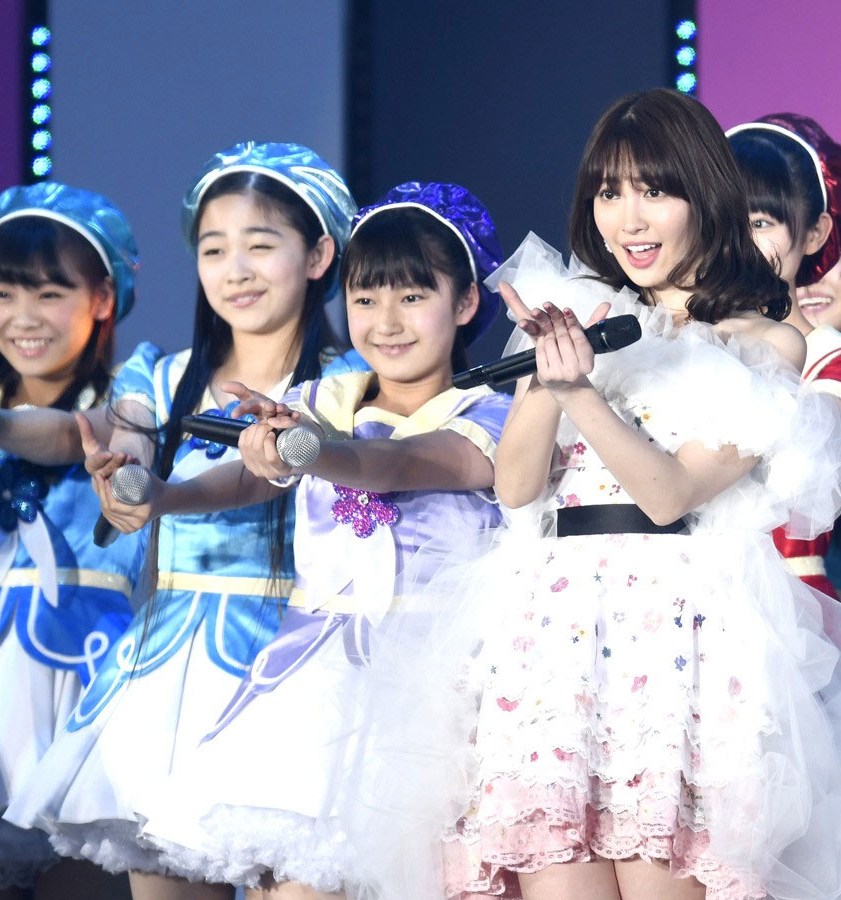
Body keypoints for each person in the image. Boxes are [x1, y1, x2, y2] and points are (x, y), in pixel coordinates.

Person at [351, 90, 841, 900]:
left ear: (704, 193)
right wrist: (550, 376)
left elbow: (669, 494)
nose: (629, 218)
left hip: (679, 639)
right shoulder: (578, 313)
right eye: (609, 193)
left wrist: (579, 391)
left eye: (654, 191)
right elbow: (516, 486)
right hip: (553, 634)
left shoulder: (762, 339)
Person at [88, 182, 512, 898]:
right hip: (310, 689)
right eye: (365, 298)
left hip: (438, 698)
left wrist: (310, 451)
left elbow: (401, 463)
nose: (386, 321)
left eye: (413, 296)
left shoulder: (491, 415)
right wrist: (165, 497)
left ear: (466, 302)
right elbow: (250, 478)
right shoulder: (321, 401)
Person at [3, 141, 366, 900]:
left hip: (292, 667)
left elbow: (264, 480)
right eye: (214, 249)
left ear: (318, 255)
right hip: (167, 674)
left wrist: (163, 495)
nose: (235, 270)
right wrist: (128, 482)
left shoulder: (345, 384)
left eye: (259, 245)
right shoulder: (163, 376)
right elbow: (126, 441)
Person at [0, 182, 143, 900]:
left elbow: (61, 437)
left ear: (103, 298)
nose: (23, 317)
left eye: (50, 293)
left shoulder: (136, 405)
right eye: (3, 293)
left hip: (96, 693)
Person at [728, 116, 841, 597]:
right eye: (722, 221)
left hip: (793, 605)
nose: (737, 242)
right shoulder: (682, 343)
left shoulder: (830, 362)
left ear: (814, 234)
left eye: (759, 223)